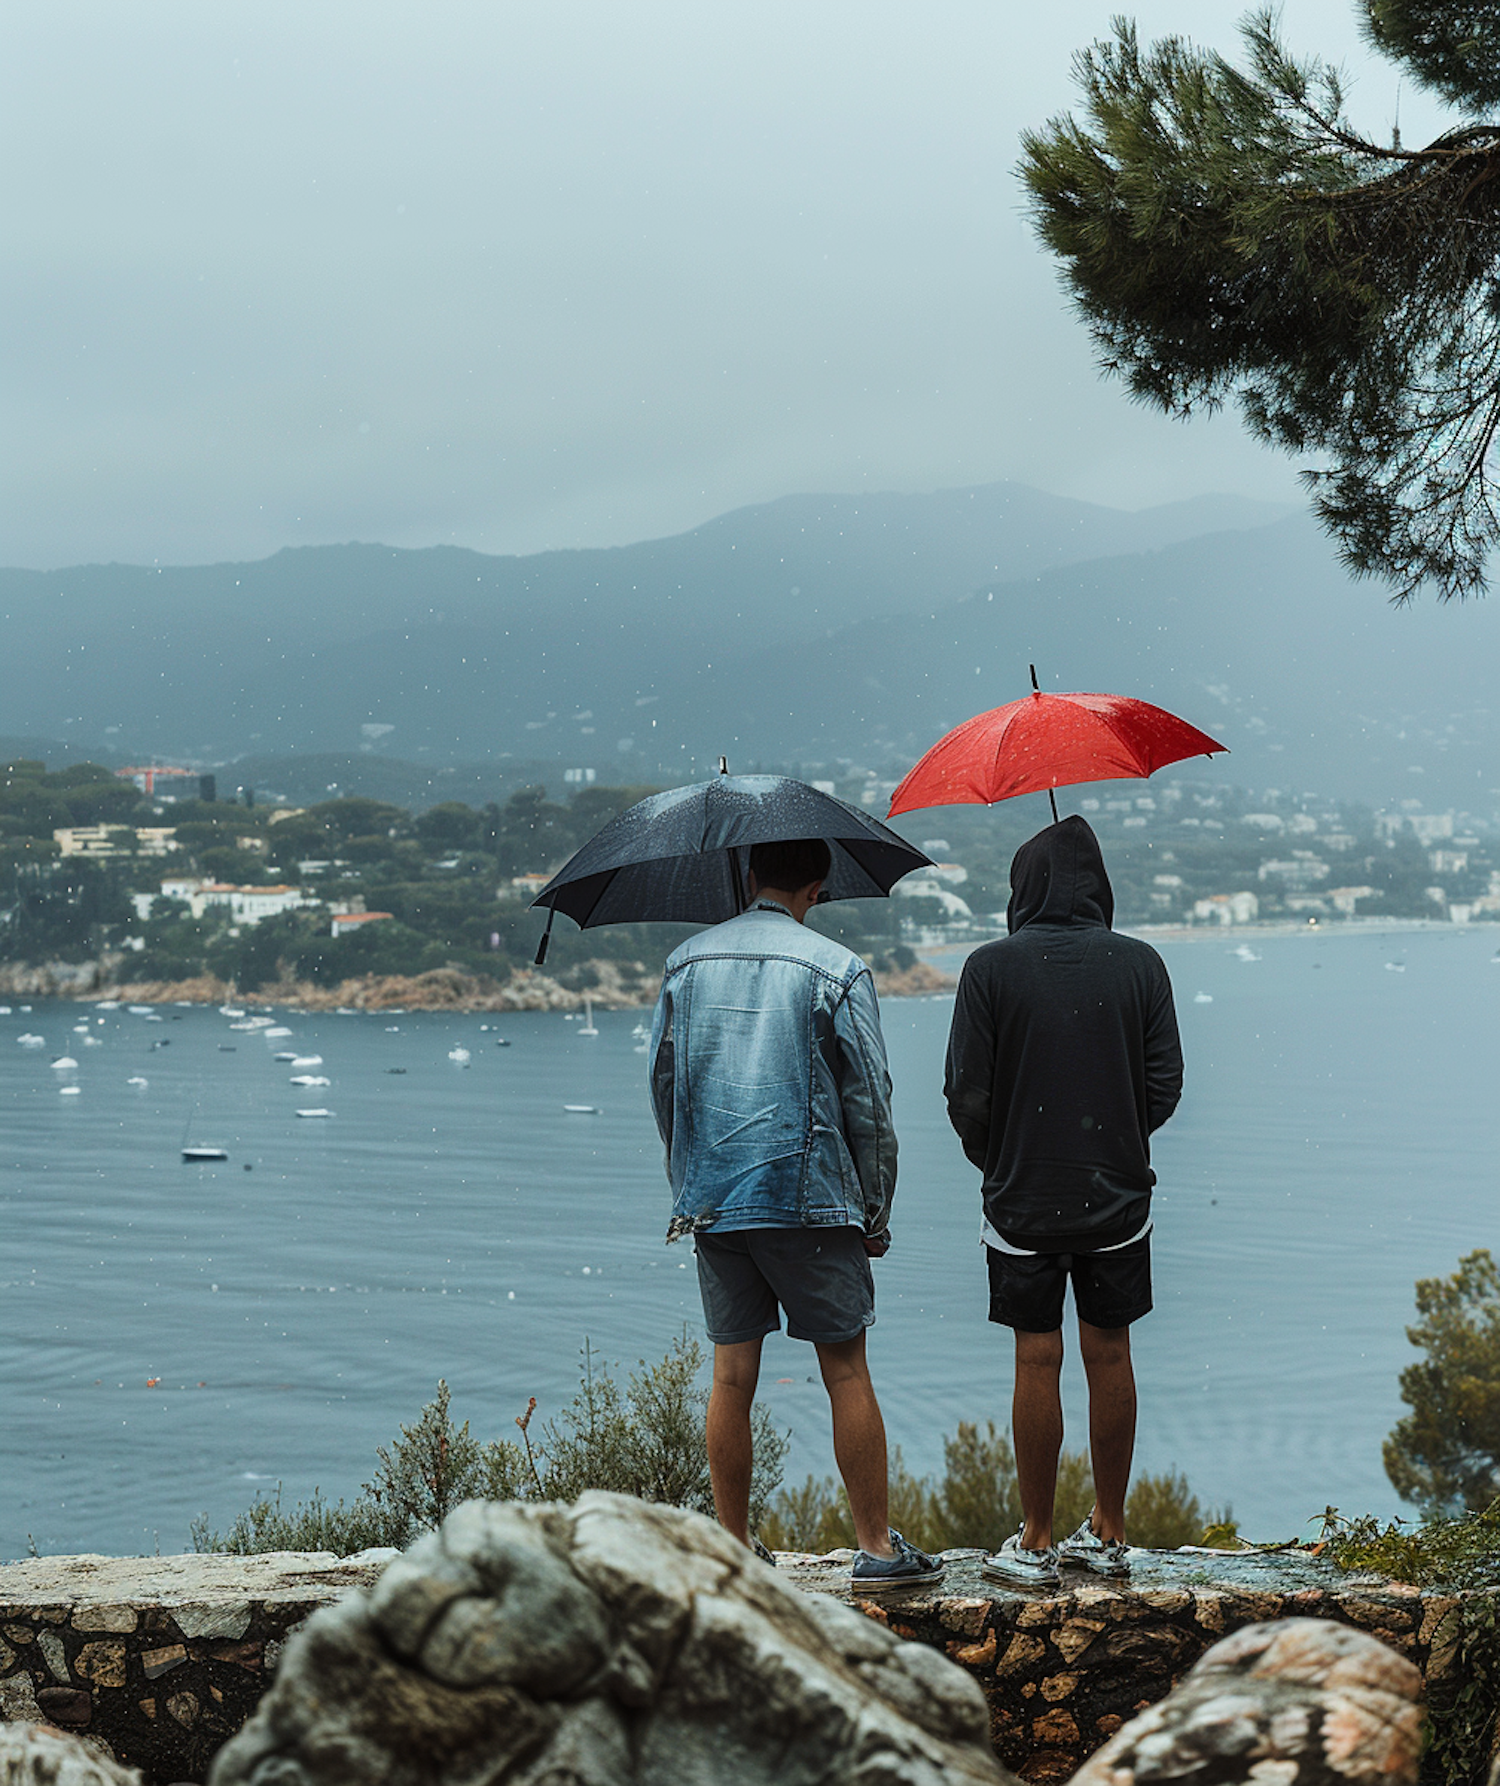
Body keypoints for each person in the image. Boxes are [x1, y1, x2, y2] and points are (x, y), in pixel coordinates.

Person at [649, 835, 943, 1590]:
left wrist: (694, 1179)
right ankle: (877, 1549)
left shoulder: (686, 963)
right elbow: (868, 1099)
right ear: (819, 885)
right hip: (810, 1198)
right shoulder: (837, 970)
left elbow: (665, 1087)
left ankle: (734, 1548)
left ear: (748, 875)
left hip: (716, 1202)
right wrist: (873, 1209)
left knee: (731, 1377)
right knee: (845, 1372)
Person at [944, 815, 1182, 1587]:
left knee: (1035, 1355)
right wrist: (1113, 1137)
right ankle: (1109, 1533)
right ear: (1100, 886)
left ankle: (1039, 1541)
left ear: (1023, 887)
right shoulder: (1142, 965)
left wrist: (1002, 1155)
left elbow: (965, 1094)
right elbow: (1164, 1086)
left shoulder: (988, 969)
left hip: (1022, 1197)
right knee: (1109, 1350)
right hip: (1118, 1195)